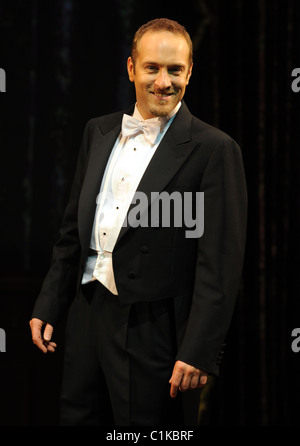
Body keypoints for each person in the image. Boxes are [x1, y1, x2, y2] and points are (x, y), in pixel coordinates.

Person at [30, 18, 247, 426]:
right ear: (131, 68)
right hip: (87, 317)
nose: (163, 82)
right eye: (152, 68)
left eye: (174, 70)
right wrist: (49, 303)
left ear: (189, 71)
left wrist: (198, 350)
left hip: (155, 330)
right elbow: (71, 233)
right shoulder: (99, 131)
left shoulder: (215, 149)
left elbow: (219, 266)